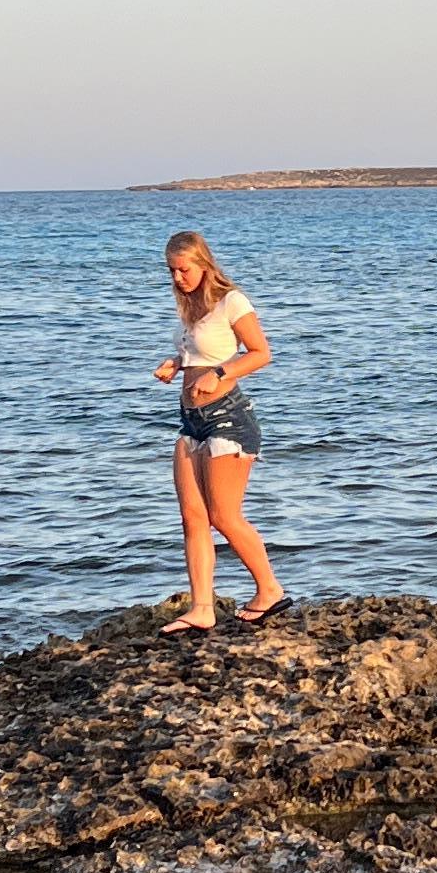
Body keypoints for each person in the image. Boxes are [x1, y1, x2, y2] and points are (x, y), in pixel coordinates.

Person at [153, 230, 285, 633]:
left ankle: (270, 591)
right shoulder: (191, 308)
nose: (178, 278)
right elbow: (200, 350)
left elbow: (261, 352)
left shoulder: (233, 301)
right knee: (193, 518)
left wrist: (220, 373)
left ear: (204, 264)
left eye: (184, 270)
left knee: (224, 516)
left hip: (228, 418)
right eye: (172, 271)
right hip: (191, 421)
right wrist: (177, 362)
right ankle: (202, 609)